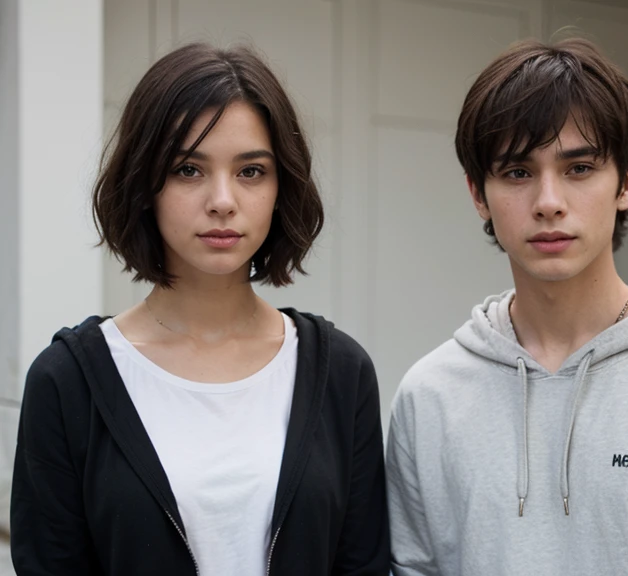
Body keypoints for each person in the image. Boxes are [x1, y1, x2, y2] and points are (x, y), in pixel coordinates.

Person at [386, 38, 628, 575]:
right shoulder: (430, 397)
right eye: (518, 172)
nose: (548, 202)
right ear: (478, 194)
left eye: (579, 168)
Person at [11, 42, 389, 576]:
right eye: (188, 169)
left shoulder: (342, 373)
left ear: (282, 187)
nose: (222, 200)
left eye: (251, 171)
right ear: (145, 184)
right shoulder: (67, 382)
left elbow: (362, 564)